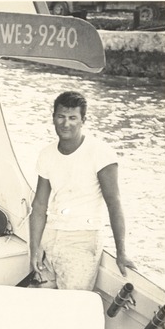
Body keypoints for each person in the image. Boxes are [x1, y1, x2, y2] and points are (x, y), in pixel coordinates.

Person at [29, 91, 136, 291]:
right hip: (51, 237)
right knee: (36, 300)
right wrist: (34, 249)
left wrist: (121, 252)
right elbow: (39, 205)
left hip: (82, 240)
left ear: (83, 120)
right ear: (53, 118)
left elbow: (114, 204)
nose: (65, 123)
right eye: (60, 116)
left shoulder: (100, 153)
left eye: (72, 118)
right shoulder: (46, 154)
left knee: (71, 308)